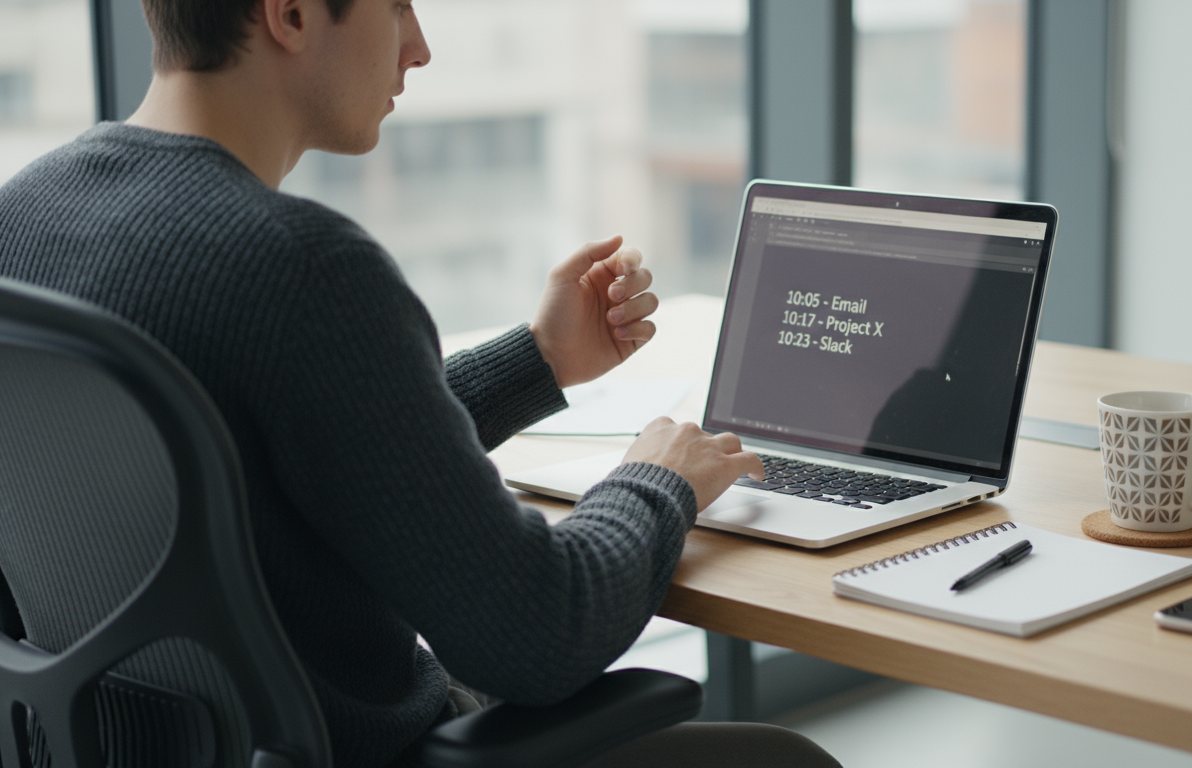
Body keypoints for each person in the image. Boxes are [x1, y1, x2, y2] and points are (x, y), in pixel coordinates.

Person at [0, 0, 844, 766]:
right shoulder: (303, 268)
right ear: (291, 14)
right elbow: (536, 634)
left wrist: (538, 359)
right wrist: (658, 481)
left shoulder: (23, 215)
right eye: (397, 6)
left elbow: (294, 441)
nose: (420, 47)